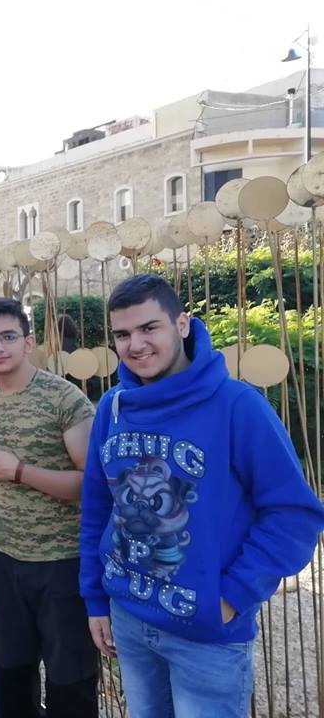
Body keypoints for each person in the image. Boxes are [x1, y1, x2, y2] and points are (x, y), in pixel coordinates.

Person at [79, 274, 324, 718]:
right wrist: (96, 598)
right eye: (123, 334)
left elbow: (294, 514)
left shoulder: (237, 405)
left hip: (206, 634)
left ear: (182, 324)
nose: (136, 345)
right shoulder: (112, 408)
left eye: (149, 328)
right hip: (129, 618)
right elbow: (97, 508)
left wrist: (232, 596)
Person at [0, 298, 98, 718]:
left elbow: (92, 485)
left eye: (8, 336)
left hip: (62, 561)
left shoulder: (65, 399)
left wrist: (20, 471)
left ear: (28, 341)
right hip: (1, 561)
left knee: (70, 683)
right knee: (13, 679)